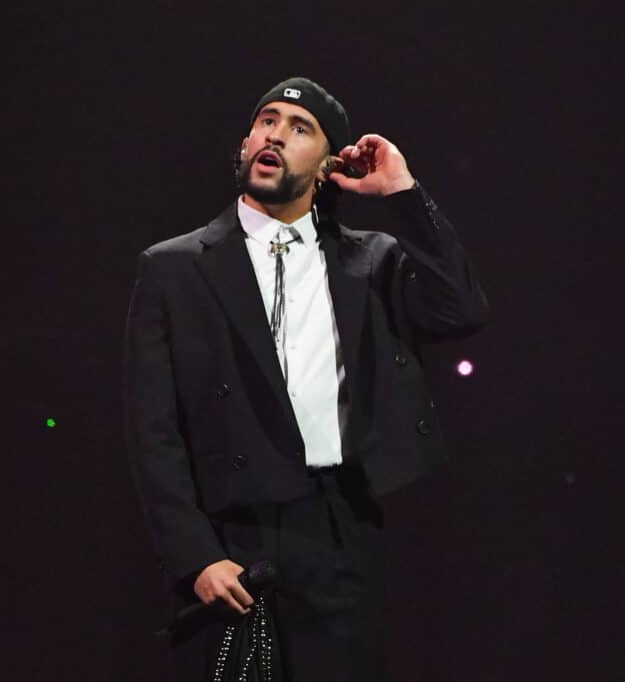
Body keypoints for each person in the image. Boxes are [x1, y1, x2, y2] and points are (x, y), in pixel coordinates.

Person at [123, 76, 488, 681]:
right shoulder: (174, 269)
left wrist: (402, 193)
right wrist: (196, 556)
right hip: (233, 535)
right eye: (267, 122)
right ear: (245, 144)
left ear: (326, 166)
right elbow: (151, 431)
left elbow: (462, 310)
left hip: (339, 529)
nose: (276, 135)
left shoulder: (369, 261)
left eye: (300, 130)